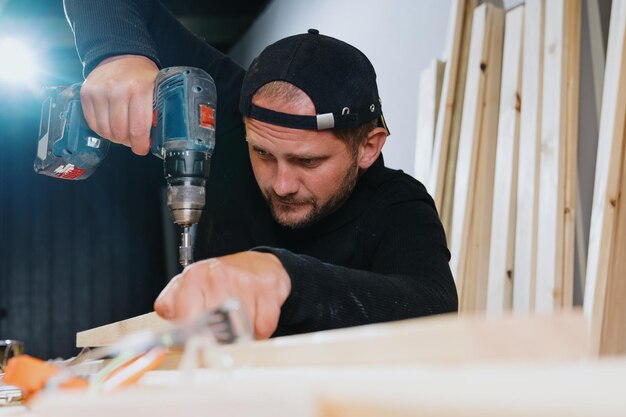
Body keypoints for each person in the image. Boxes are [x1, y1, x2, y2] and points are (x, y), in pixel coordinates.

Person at [63, 0, 458, 339]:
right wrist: (115, 55)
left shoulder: (397, 203)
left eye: (308, 161)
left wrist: (284, 276)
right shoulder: (226, 106)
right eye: (263, 153)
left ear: (368, 147)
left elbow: (432, 307)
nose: (282, 185)